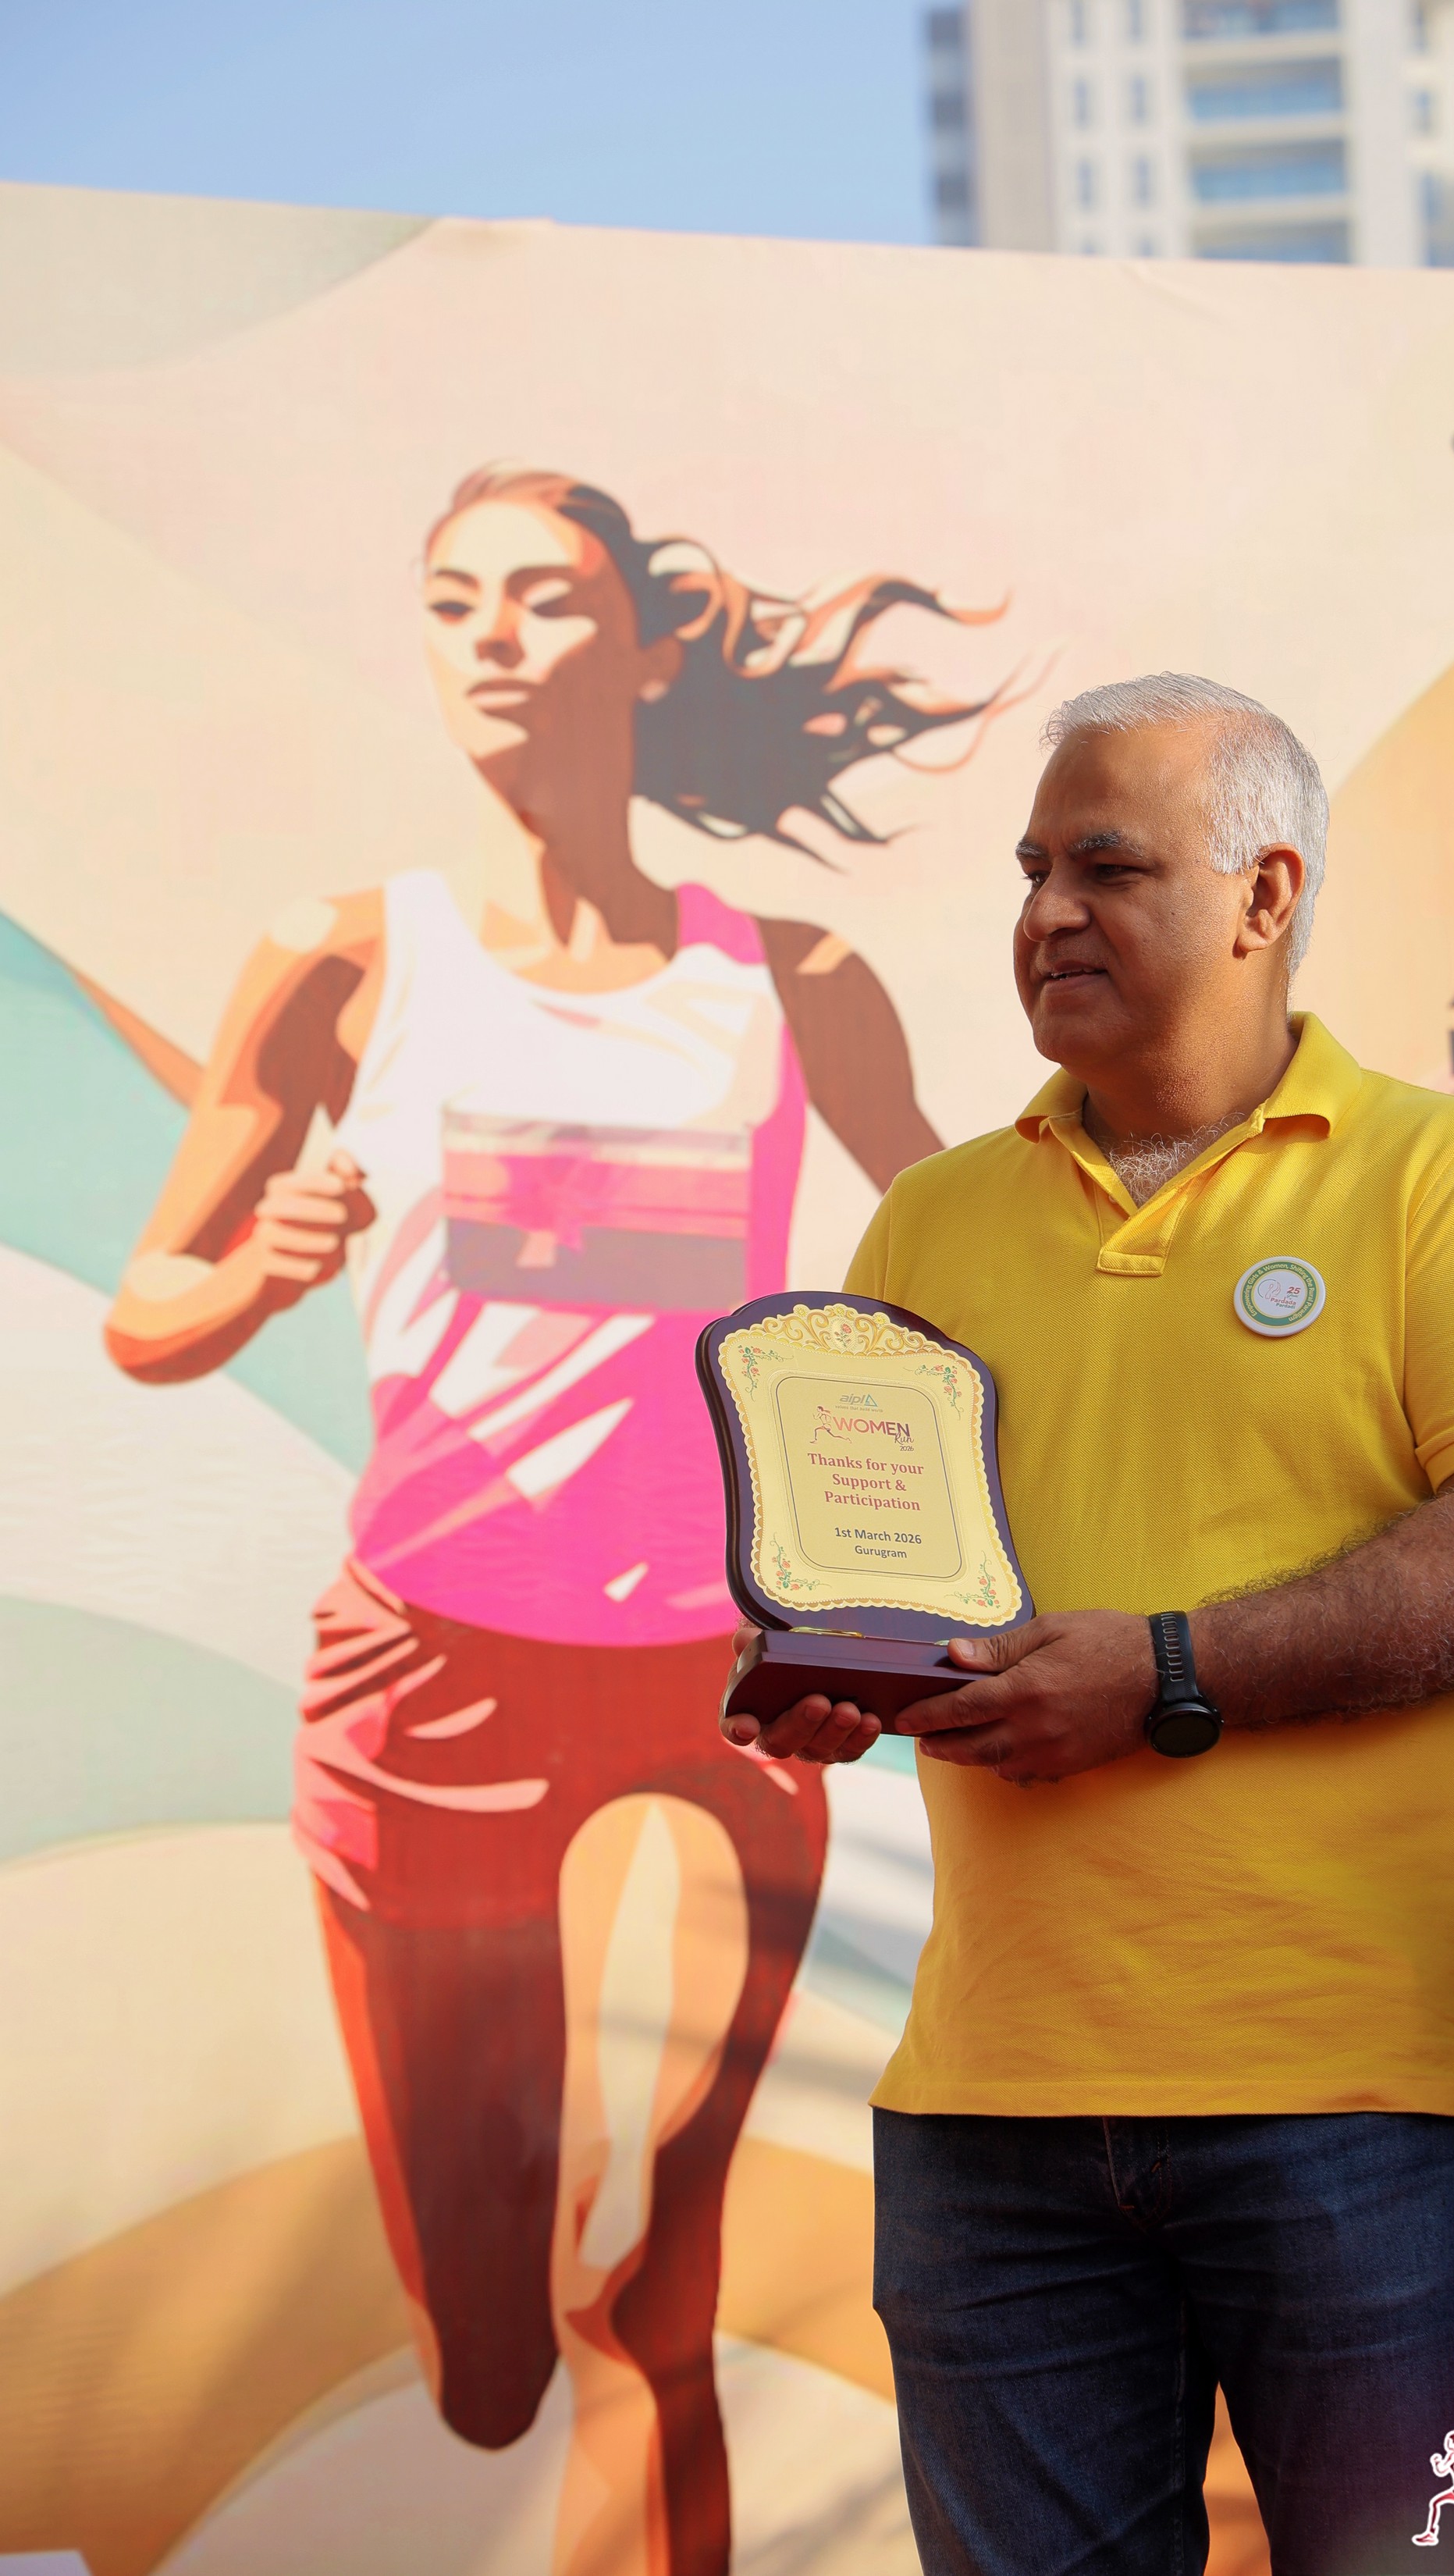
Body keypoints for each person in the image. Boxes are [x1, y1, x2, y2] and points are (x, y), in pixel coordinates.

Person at [105, 464, 992, 2576]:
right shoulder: (343, 958)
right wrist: (259, 1275)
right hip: (432, 1675)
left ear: (649, 644)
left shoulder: (794, 975)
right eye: (454, 601)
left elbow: (974, 1250)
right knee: (490, 2338)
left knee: (651, 2277)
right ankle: (493, 2332)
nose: (494, 637)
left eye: (546, 596)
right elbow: (149, 1311)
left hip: (723, 1689)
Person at [721, 673, 1454, 2576]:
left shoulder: (1437, 1173)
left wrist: (1169, 1673)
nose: (1046, 911)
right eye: (1029, 870)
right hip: (986, 2111)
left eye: (1106, 867)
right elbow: (902, 1587)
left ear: (1261, 893)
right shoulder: (929, 1220)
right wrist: (836, 1672)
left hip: (1355, 2105)